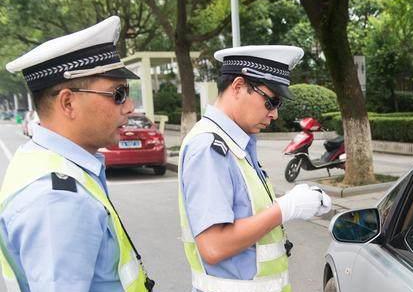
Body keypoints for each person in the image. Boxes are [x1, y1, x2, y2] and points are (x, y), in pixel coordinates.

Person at [0, 16, 154, 292]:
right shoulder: (58, 199)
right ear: (68, 102)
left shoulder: (45, 161)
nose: (130, 106)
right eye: (118, 94)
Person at [178, 45, 332, 292]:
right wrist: (286, 208)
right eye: (271, 101)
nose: (275, 114)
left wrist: (293, 201)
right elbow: (213, 246)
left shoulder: (237, 143)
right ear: (238, 86)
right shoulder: (209, 147)